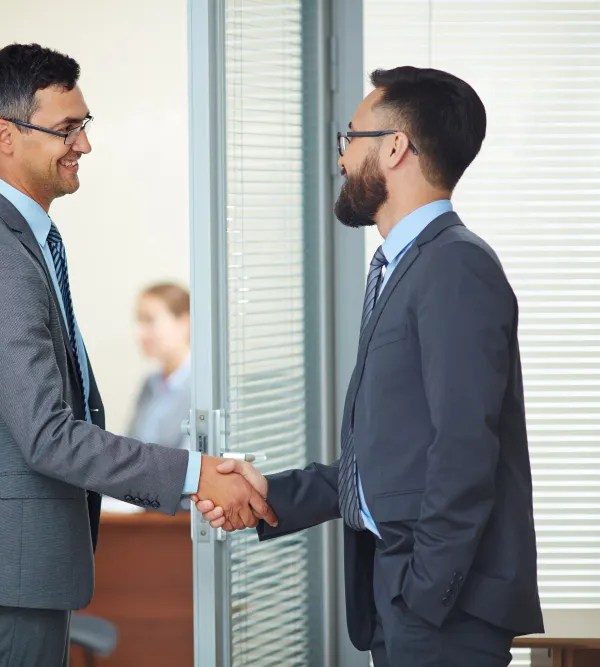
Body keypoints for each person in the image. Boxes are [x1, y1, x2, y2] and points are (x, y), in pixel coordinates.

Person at [0, 43, 275, 666]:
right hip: (9, 568)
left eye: (85, 125)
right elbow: (48, 434)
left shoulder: (16, 238)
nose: (84, 144)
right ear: (5, 135)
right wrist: (195, 475)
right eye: (67, 129)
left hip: (16, 564)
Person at [197, 66, 543, 666]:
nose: (340, 159)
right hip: (403, 598)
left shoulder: (454, 267)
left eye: (349, 139)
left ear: (393, 147)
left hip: (440, 612)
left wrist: (425, 594)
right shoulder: (404, 268)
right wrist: (271, 494)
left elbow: (464, 451)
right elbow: (393, 459)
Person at [126, 283, 191, 450]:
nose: (139, 333)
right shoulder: (150, 383)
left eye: (149, 320)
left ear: (185, 323)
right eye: (139, 320)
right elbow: (129, 448)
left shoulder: (201, 388)